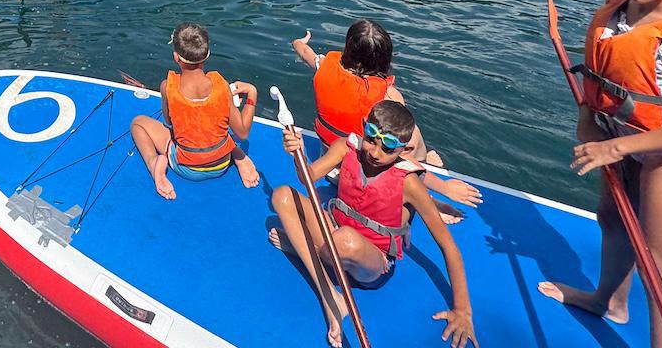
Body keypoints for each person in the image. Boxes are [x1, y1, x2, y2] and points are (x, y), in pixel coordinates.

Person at [538, 0, 662, 347]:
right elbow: (603, 74)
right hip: (617, 139)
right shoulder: (619, 7)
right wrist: (588, 119)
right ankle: (608, 302)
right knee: (612, 221)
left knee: (660, 270)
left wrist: (615, 146)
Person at [271, 100, 478, 348]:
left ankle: (305, 248)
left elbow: (448, 246)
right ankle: (331, 296)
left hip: (371, 262)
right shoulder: (344, 148)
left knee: (345, 241)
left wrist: (463, 311)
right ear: (363, 128)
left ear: (405, 150)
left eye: (388, 148)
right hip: (335, 231)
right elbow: (307, 177)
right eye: (371, 139)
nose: (375, 153)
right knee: (282, 196)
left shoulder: (410, 184)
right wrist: (298, 154)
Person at [291, 20, 481, 213]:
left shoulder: (323, 65)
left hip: (330, 168)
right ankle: (425, 196)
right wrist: (445, 187)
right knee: (410, 134)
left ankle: (423, 167)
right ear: (385, 59)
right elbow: (399, 156)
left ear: (347, 48)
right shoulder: (389, 96)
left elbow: (304, 51)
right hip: (363, 178)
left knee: (389, 136)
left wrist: (298, 42)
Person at [129, 22, 260, 200]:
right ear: (207, 54)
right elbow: (242, 133)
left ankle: (154, 166)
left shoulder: (168, 87)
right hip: (222, 164)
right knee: (216, 127)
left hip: (187, 168)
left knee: (138, 123)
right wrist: (252, 92)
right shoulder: (221, 86)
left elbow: (168, 122)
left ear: (176, 57)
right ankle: (235, 152)